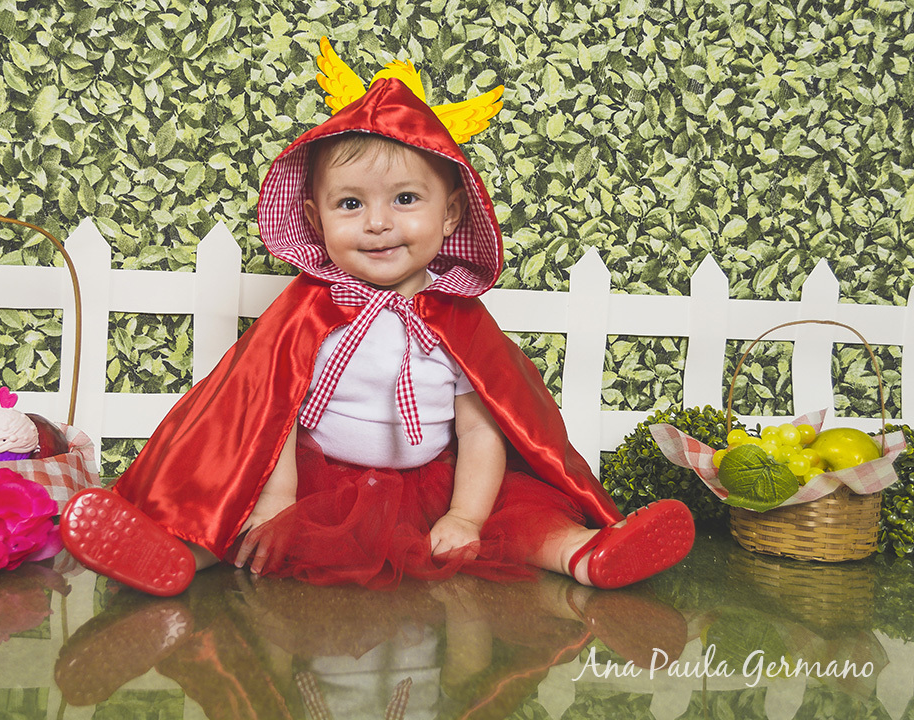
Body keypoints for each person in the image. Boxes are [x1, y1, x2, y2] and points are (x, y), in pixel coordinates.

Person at [60, 77, 695, 596]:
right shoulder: (310, 310)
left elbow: (483, 427)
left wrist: (466, 515)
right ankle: (174, 558)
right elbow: (266, 411)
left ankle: (585, 554)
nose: (378, 224)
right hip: (318, 480)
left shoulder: (458, 318)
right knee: (240, 516)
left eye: (406, 199)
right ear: (314, 218)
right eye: (350, 205)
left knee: (520, 518)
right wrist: (279, 500)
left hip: (436, 487)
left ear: (450, 215)